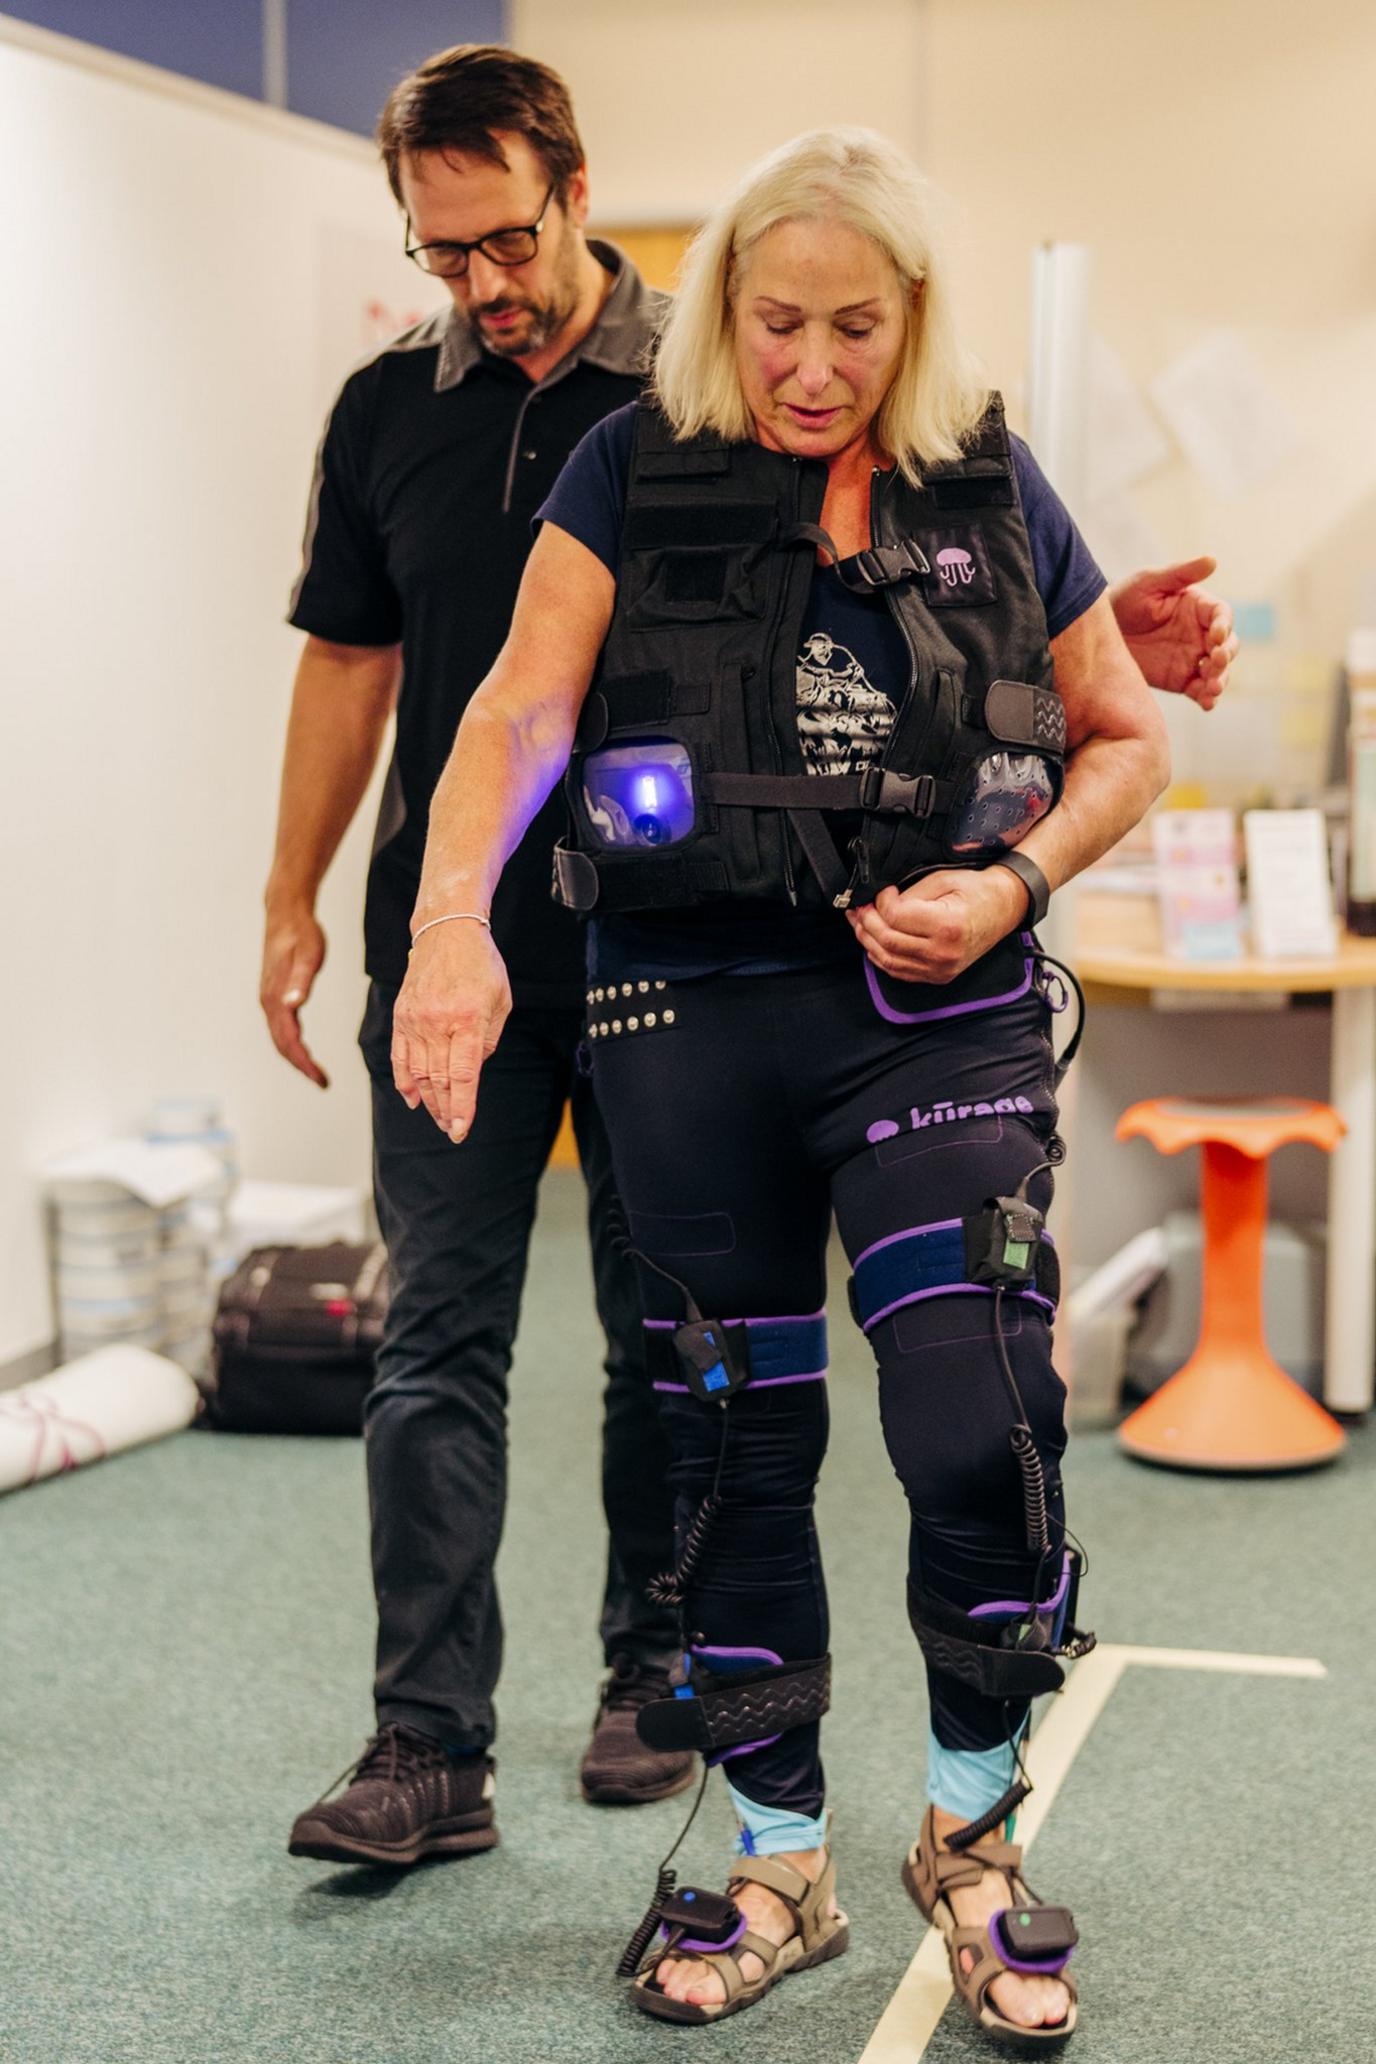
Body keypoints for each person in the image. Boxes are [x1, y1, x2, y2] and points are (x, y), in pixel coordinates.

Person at [392, 127, 1180, 2042]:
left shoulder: (989, 478)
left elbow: (1126, 738)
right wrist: (446, 931)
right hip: (687, 1006)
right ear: (724, 310)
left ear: (910, 322)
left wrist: (1014, 878)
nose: (810, 365)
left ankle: (974, 1844)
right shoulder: (626, 467)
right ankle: (776, 1859)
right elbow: (518, 708)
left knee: (978, 1415)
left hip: (940, 1017)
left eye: (853, 326)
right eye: (773, 323)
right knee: (729, 1440)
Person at [261, 46, 694, 1868]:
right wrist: (288, 895)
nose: (484, 289)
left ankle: (655, 1672)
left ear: (577, 190)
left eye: (507, 242)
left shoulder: (711, 392)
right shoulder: (383, 413)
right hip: (451, 955)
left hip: (674, 937)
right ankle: (426, 1745)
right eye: (445, 257)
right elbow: (349, 664)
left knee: (662, 1326)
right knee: (437, 1333)